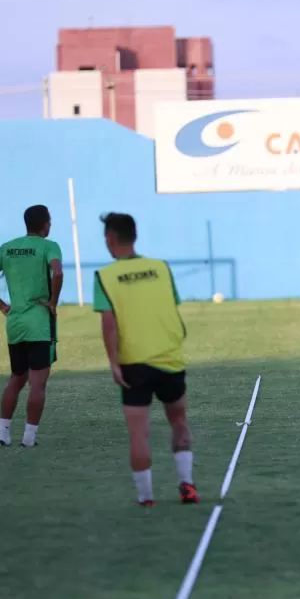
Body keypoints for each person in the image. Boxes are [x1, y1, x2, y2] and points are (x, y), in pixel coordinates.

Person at [93, 212, 199, 507]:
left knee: (139, 433)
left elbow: (109, 324)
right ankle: (187, 485)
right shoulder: (161, 268)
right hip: (170, 357)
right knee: (179, 421)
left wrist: (113, 363)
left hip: (134, 363)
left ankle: (147, 497)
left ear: (109, 239)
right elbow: (170, 307)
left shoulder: (105, 276)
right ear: (135, 235)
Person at [0, 204, 63, 448]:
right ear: (45, 224)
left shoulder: (8, 247)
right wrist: (53, 302)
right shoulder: (49, 246)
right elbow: (57, 273)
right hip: (40, 323)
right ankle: (29, 438)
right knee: (38, 383)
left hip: (15, 323)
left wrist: (2, 305)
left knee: (16, 379)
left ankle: (3, 434)